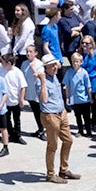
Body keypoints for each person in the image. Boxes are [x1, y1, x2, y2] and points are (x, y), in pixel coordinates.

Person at [38, 55, 77, 183]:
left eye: (55, 65)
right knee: (52, 145)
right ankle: (50, 174)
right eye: (52, 66)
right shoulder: (41, 81)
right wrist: (43, 81)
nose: (55, 67)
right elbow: (44, 99)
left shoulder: (54, 75)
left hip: (61, 112)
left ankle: (64, 169)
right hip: (50, 116)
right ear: (45, 68)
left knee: (68, 140)